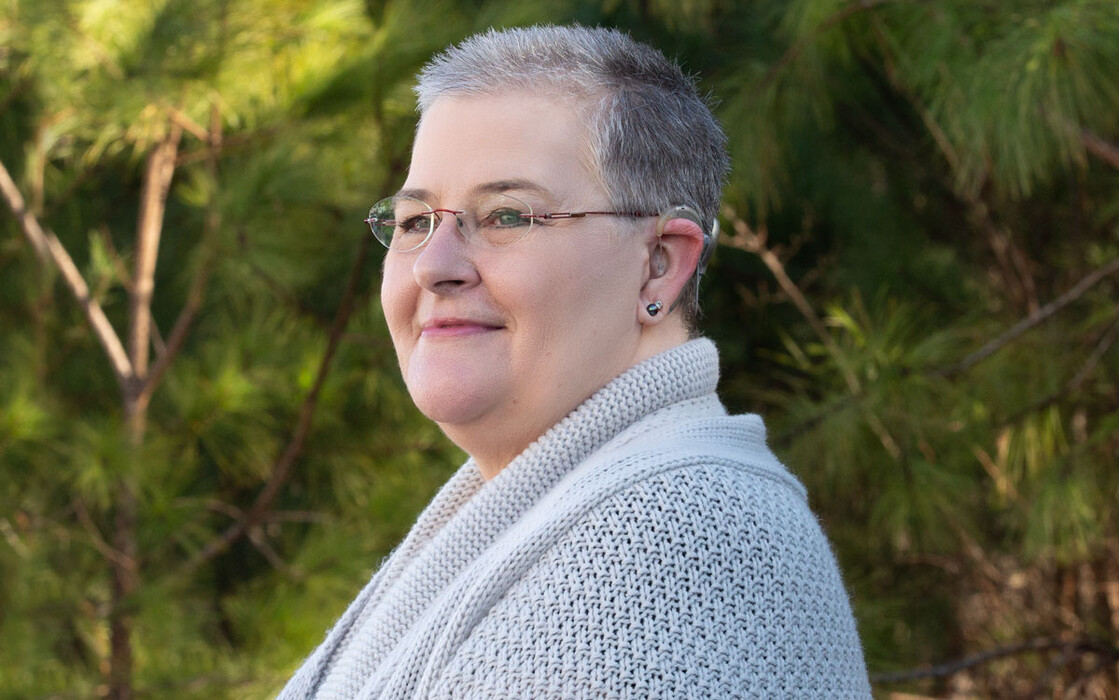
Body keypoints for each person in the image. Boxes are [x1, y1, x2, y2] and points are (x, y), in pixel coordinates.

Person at [279, 24, 870, 698]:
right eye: (415, 221)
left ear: (658, 265)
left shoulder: (686, 539)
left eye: (506, 216)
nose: (432, 266)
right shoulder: (556, 509)